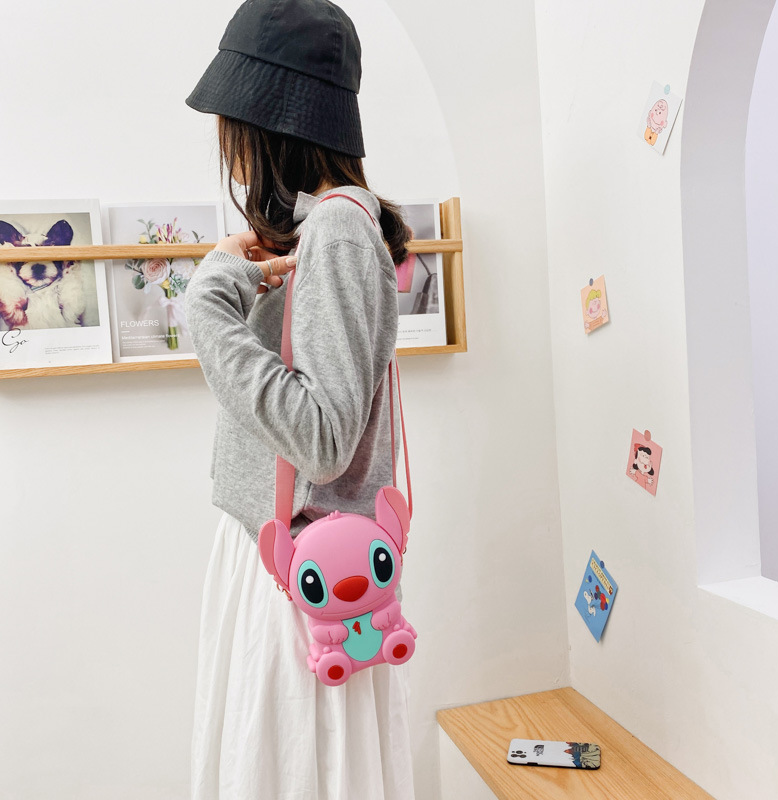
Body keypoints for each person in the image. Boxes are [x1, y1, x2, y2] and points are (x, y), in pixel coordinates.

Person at [183, 1, 415, 798]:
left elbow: (320, 438)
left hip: (300, 576)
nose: (226, 141)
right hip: (281, 561)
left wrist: (209, 308)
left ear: (267, 119)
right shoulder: (320, 228)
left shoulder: (339, 231)